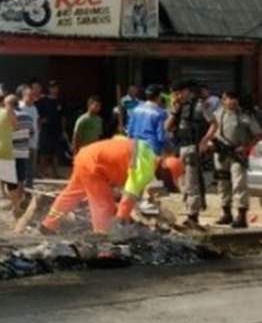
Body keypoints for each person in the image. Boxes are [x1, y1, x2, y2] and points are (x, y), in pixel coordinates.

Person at [41, 138, 185, 235]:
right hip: (95, 166)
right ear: (165, 172)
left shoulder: (147, 151)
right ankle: (103, 241)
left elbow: (119, 142)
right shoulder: (146, 170)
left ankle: (48, 225)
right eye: (167, 179)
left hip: (86, 155)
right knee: (104, 205)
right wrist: (121, 220)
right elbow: (129, 196)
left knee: (71, 194)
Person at [201, 91, 262, 228]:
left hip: (237, 155)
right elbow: (211, 130)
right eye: (229, 99)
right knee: (223, 184)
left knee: (239, 184)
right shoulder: (217, 114)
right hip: (220, 155)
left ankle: (241, 216)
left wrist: (246, 147)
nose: (232, 102)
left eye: (234, 99)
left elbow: (258, 134)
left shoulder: (244, 116)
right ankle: (226, 213)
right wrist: (209, 142)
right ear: (223, 101)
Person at [166, 79, 216, 227]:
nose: (177, 96)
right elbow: (167, 127)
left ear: (186, 91)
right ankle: (189, 209)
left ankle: (193, 216)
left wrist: (205, 141)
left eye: (178, 93)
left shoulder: (200, 105)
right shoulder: (178, 107)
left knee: (192, 182)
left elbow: (214, 124)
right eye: (174, 94)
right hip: (181, 147)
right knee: (182, 182)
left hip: (193, 147)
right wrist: (174, 111)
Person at [35, 81, 66, 179]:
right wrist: (40, 122)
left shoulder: (61, 101)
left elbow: (63, 117)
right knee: (44, 152)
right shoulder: (43, 101)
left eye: (56, 87)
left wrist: (63, 130)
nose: (54, 89)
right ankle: (41, 172)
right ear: (48, 89)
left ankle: (55, 173)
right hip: (46, 130)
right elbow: (37, 115)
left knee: (56, 153)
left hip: (57, 130)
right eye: (52, 87)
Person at [126, 85, 169, 155]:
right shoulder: (161, 113)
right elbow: (161, 136)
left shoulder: (136, 109)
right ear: (159, 96)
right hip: (152, 148)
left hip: (136, 146)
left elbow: (130, 129)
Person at [12, 93, 34, 197]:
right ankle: (20, 197)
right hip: (24, 150)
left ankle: (13, 201)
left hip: (11, 150)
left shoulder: (11, 116)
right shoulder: (28, 117)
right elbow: (32, 133)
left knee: (11, 177)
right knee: (21, 176)